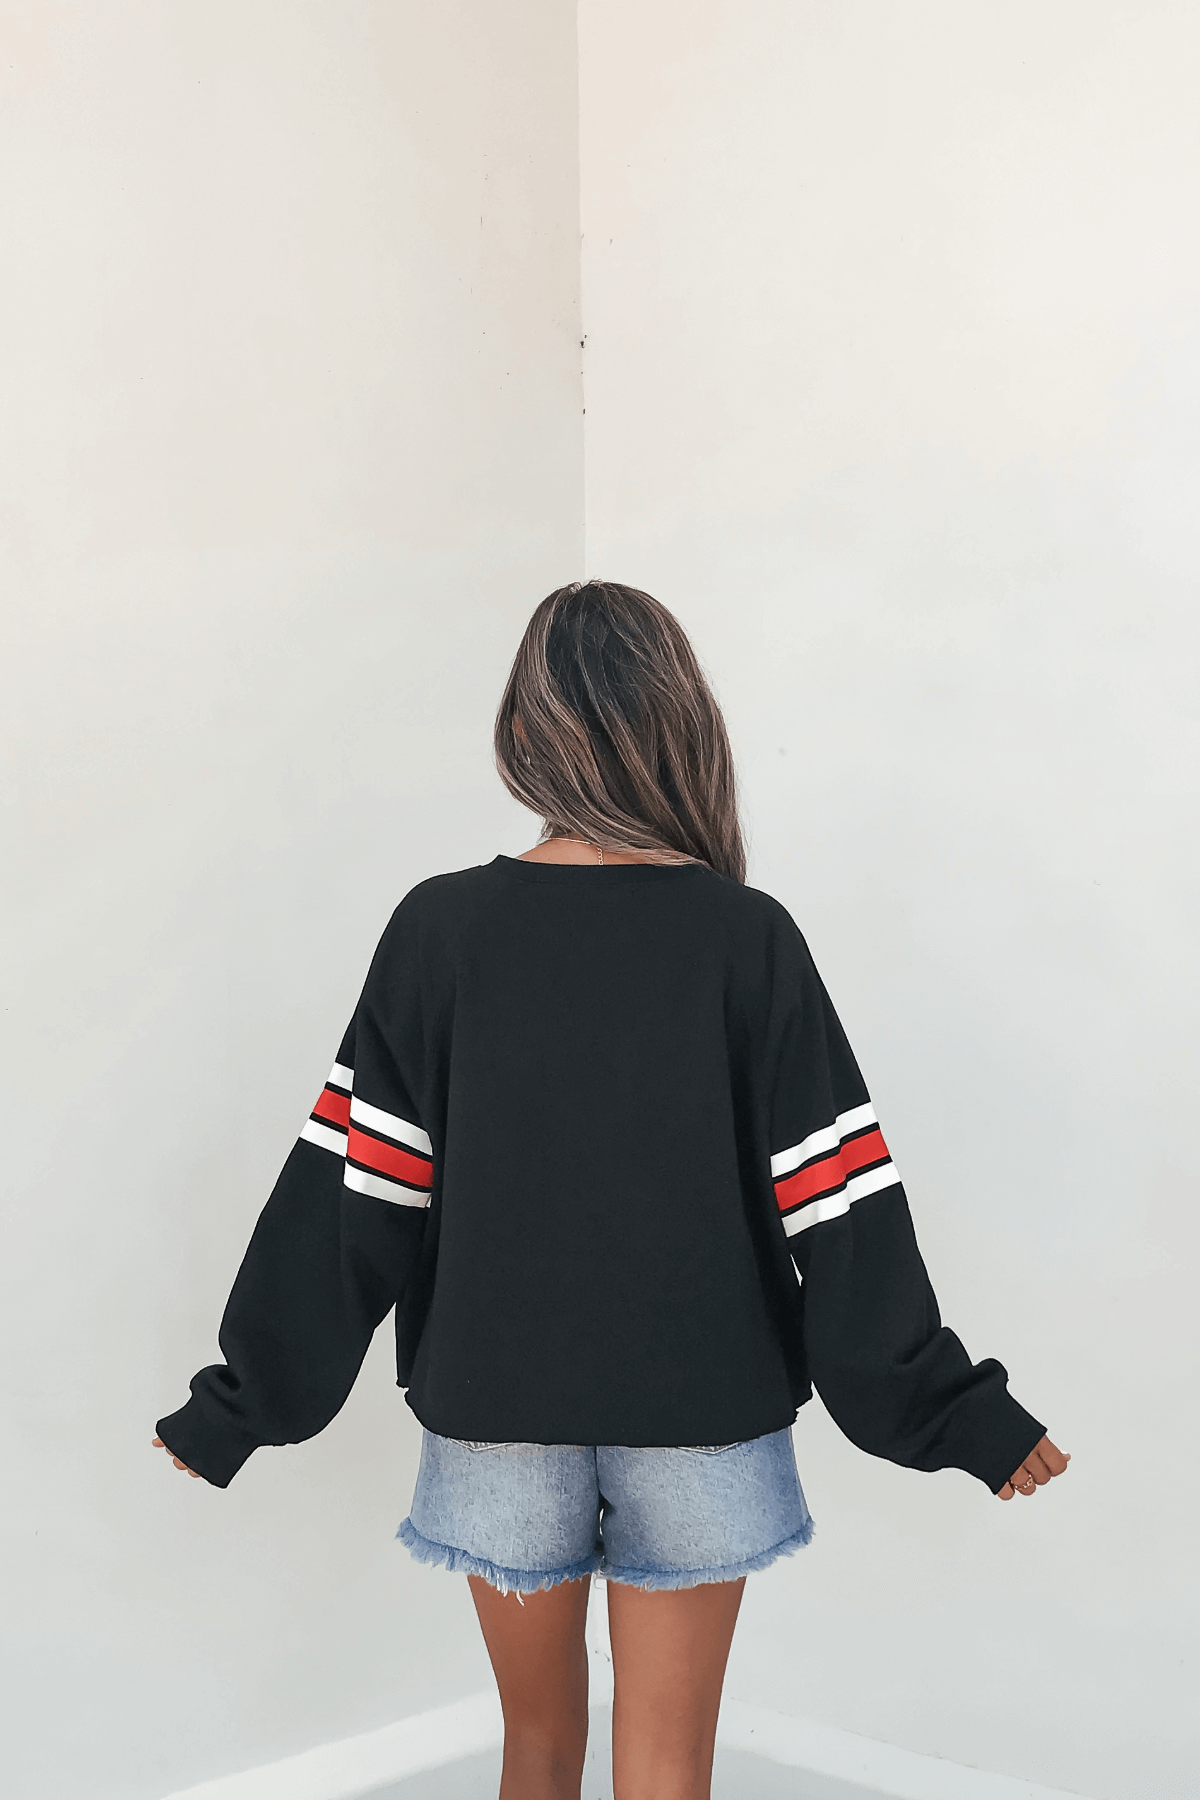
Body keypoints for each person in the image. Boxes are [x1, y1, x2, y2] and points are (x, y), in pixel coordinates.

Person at [155, 580, 1068, 1800]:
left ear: (520, 732)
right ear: (681, 723)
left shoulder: (439, 931)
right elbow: (842, 1211)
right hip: (705, 1415)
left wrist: (241, 1402)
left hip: (496, 1413)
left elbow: (356, 1198)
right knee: (669, 1766)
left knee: (535, 1752)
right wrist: (954, 1412)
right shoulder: (747, 939)